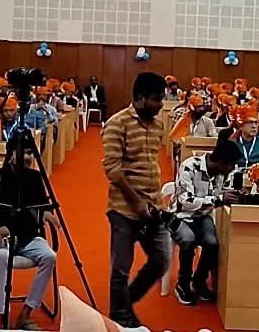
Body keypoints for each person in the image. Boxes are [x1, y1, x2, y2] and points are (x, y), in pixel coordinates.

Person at [101, 72, 169, 329]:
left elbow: (150, 164)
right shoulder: (116, 124)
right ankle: (119, 316)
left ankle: (125, 303)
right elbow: (113, 170)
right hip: (123, 209)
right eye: (156, 99)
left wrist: (151, 203)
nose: (161, 104)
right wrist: (137, 202)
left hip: (154, 207)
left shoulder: (158, 125)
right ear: (140, 98)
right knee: (121, 268)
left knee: (161, 260)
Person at [0, 137, 58, 330]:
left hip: (28, 235)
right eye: (22, 153)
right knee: (2, 256)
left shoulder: (35, 178)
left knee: (49, 256)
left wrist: (46, 213)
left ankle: (26, 313)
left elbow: (42, 204)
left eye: (29, 153)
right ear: (10, 154)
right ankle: (3, 315)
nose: (27, 157)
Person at [172, 140, 240, 304]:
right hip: (180, 215)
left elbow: (223, 193)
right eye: (231, 165)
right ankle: (182, 284)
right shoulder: (189, 166)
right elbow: (185, 201)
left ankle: (199, 281)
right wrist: (219, 199)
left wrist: (234, 194)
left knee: (212, 244)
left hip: (203, 216)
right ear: (222, 162)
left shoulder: (222, 174)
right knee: (188, 240)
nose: (232, 169)